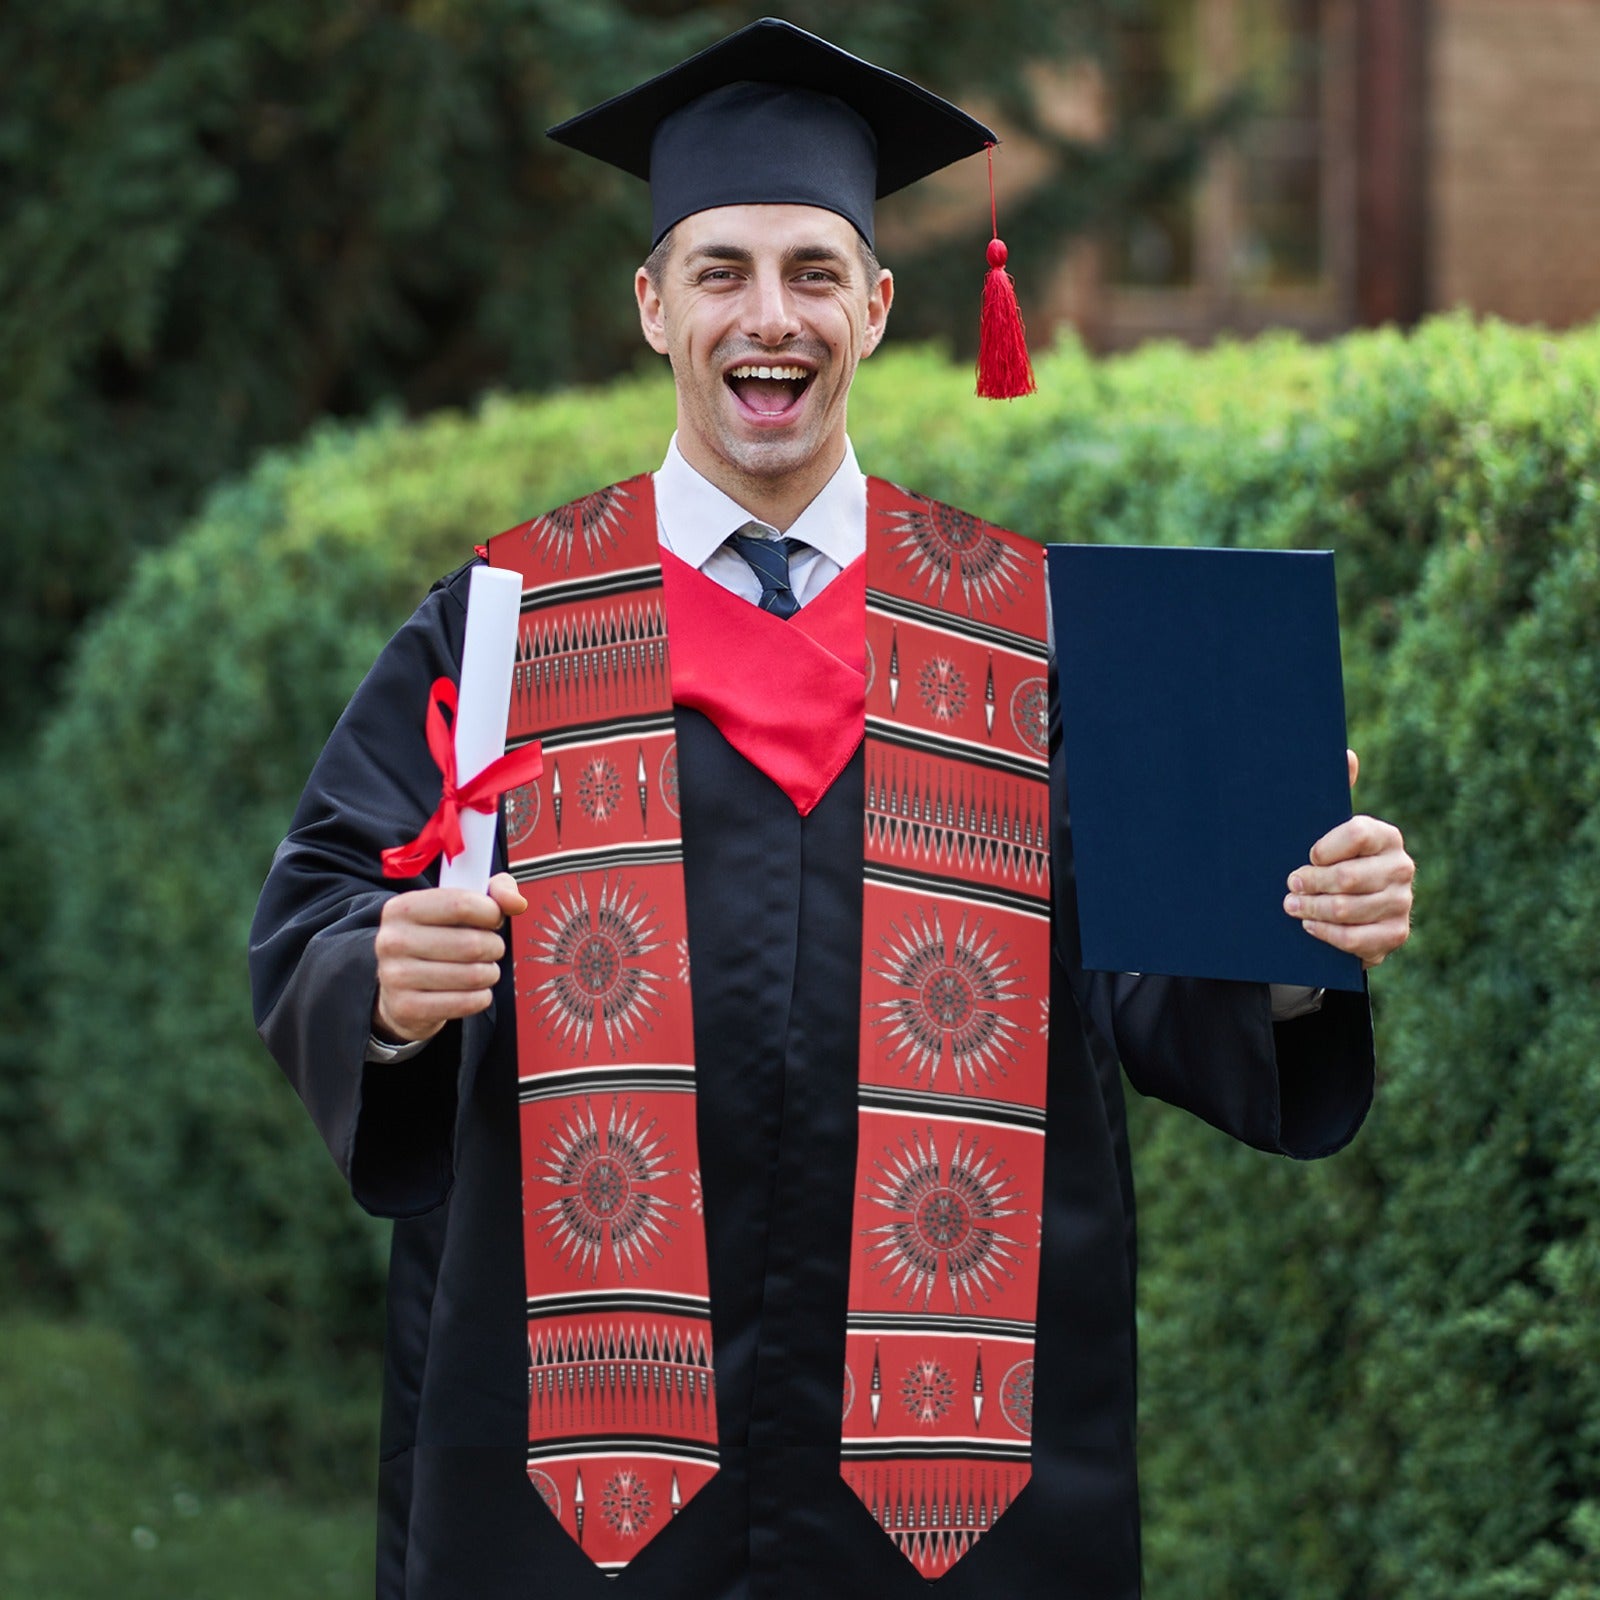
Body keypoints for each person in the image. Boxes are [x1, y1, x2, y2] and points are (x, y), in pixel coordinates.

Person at [250, 19, 1414, 1600]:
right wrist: (379, 983)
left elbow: (1150, 978)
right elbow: (324, 903)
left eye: (812, 271)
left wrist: (1292, 935)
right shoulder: (511, 621)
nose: (768, 317)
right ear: (653, 304)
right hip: (581, 1474)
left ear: (876, 305)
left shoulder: (1024, 628)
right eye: (721, 270)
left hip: (956, 1473)